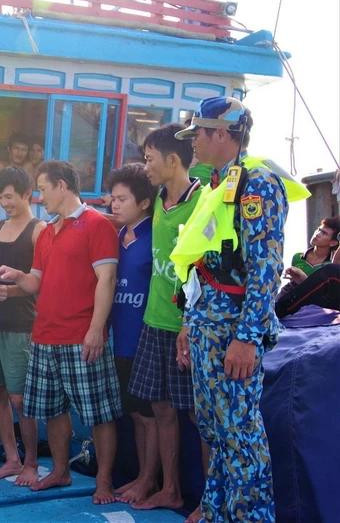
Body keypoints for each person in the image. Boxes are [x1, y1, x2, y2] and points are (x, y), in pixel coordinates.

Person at [171, 96, 309, 521]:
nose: (193, 141)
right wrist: (188, 327)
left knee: (242, 437)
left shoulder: (257, 185)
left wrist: (247, 339)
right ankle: (216, 514)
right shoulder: (219, 183)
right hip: (207, 326)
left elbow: (265, 270)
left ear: (223, 134)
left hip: (234, 333)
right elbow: (207, 263)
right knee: (217, 432)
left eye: (199, 132)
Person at [0, 161, 122, 503]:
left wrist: (95, 329)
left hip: (82, 336)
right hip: (44, 336)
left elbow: (106, 280)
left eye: (44, 188)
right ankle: (60, 471)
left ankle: (104, 481)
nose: (40, 196)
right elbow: (36, 281)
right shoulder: (48, 231)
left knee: (99, 414)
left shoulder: (97, 224)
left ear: (62, 186)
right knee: (53, 410)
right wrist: (13, 275)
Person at [127, 123, 204, 511]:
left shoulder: (202, 202)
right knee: (159, 407)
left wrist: (190, 324)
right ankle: (168, 488)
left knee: (198, 414)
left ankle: (208, 500)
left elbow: (207, 271)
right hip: (154, 320)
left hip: (186, 326)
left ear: (173, 160)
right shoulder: (158, 199)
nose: (146, 167)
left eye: (150, 159)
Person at [0, 167, 44, 485]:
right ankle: (11, 458)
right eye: (0, 196)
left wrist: (11, 291)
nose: (4, 203)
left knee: (20, 398)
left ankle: (31, 461)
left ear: (27, 194)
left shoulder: (38, 229)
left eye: (9, 197)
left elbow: (40, 283)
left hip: (21, 326)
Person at [104, 164, 160, 505]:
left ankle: (149, 479)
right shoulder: (117, 236)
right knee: (134, 413)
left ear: (144, 203)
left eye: (122, 199)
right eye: (112, 198)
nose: (114, 205)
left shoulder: (155, 237)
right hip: (118, 340)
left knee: (149, 414)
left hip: (145, 340)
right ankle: (140, 475)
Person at [275, 217, 340, 318]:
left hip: (314, 302)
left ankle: (277, 311)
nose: (317, 234)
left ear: (333, 243)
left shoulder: (329, 267)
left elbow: (320, 293)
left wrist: (304, 280)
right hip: (292, 293)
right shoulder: (298, 257)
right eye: (319, 229)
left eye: (324, 233)